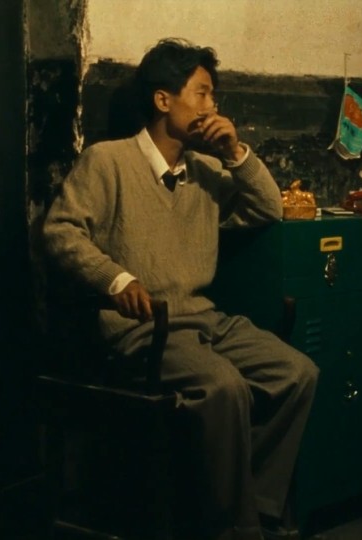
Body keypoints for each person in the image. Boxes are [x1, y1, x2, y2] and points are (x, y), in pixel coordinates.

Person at [43, 37, 319, 540]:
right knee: (224, 387)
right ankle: (234, 528)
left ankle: (255, 505)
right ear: (163, 100)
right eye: (202, 93)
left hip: (204, 320)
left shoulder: (207, 170)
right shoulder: (108, 161)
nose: (212, 107)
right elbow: (60, 231)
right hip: (144, 328)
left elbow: (267, 208)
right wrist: (116, 278)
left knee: (297, 373)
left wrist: (234, 151)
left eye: (214, 95)